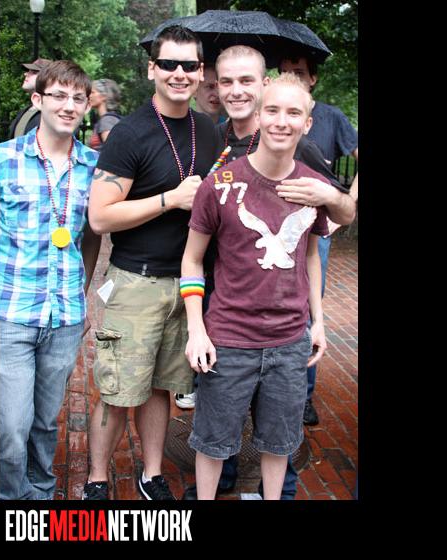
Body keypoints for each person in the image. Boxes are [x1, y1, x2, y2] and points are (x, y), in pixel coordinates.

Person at [180, 45, 355, 500]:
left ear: (307, 123)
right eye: (272, 111)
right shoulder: (220, 185)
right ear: (258, 117)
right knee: (213, 442)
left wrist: (318, 321)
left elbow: (311, 254)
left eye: (293, 113)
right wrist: (197, 330)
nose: (281, 121)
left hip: (289, 341)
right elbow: (192, 259)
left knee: (279, 443)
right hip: (229, 338)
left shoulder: (312, 187)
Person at [82, 25, 217, 501]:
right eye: (169, 64)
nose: (179, 73)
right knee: (119, 390)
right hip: (135, 282)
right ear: (151, 70)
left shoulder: (208, 129)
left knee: (162, 388)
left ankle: (152, 473)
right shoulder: (129, 133)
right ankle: (97, 479)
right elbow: (100, 216)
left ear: (200, 72)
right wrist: (169, 200)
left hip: (187, 285)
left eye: (189, 65)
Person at [0, 60, 101, 500]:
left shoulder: (95, 167)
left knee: (44, 421)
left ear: (86, 107)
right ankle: (11, 496)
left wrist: (83, 295)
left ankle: (40, 490)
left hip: (64, 316)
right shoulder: (3, 159)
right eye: (58, 95)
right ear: (38, 100)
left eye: (78, 98)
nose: (68, 105)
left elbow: (93, 236)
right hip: (11, 313)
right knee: (11, 424)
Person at [279, 49, 359, 426]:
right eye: (285, 71)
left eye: (299, 71)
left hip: (314, 231)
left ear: (312, 79)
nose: (293, 76)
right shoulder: (273, 114)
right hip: (274, 227)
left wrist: (345, 204)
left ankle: (304, 394)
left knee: (309, 308)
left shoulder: (331, 117)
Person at [7, 58, 52, 140]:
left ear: (48, 79)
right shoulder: (25, 111)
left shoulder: (53, 114)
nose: (26, 74)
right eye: (28, 71)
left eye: (34, 72)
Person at [88, 78, 123, 151]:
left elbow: (113, 151)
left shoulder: (107, 121)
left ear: (104, 96)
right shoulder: (108, 119)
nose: (89, 96)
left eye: (93, 92)